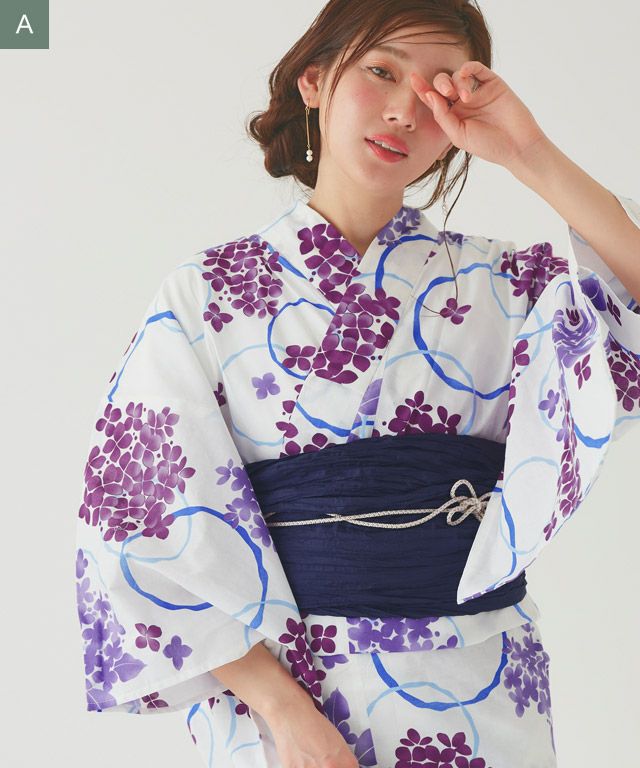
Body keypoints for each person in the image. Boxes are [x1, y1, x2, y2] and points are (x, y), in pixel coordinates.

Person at [74, 1, 640, 766]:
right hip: (284, 698)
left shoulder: (508, 285)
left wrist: (529, 152)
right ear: (314, 81)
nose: (406, 109)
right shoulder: (206, 293)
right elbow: (138, 522)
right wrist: (284, 713)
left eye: (439, 89)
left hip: (482, 686)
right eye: (381, 71)